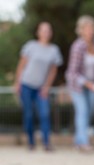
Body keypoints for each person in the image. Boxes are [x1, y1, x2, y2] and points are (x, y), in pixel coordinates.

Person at [14, 22, 63, 151]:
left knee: (44, 113)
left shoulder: (54, 50)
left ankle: (46, 142)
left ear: (51, 33)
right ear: (38, 32)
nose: (46, 33)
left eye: (48, 30)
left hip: (41, 87)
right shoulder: (30, 46)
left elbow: (53, 70)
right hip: (26, 84)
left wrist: (47, 86)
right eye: (43, 30)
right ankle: (31, 142)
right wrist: (17, 82)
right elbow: (21, 65)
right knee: (29, 114)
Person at [66, 15, 94, 152]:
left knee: (89, 111)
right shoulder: (77, 47)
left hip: (93, 83)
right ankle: (84, 142)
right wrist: (87, 83)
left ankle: (78, 140)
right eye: (87, 28)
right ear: (81, 30)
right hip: (77, 85)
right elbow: (72, 72)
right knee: (82, 111)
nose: (90, 31)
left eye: (92, 28)